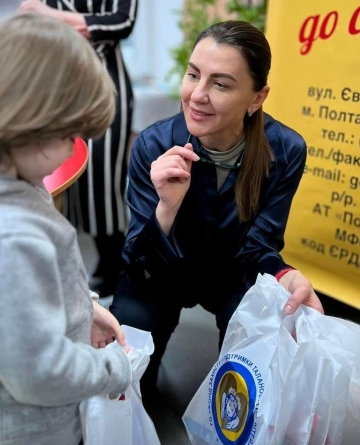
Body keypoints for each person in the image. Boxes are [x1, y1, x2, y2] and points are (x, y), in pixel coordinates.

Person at [110, 20, 324, 394]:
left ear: (257, 98)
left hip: (232, 273)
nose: (197, 95)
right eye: (193, 75)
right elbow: (136, 261)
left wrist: (284, 275)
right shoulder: (153, 144)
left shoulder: (286, 150)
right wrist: (166, 207)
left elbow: (259, 246)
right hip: (163, 271)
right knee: (130, 372)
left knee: (257, 355)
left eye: (221, 84)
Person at [0, 12, 132, 445]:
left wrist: (85, 307)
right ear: (29, 121)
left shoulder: (8, 183)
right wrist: (113, 370)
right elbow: (37, 371)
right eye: (71, 134)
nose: (74, 149)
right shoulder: (8, 234)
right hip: (30, 441)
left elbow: (23, 302)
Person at [20, 0, 138, 296]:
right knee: (57, 177)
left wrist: (51, 15)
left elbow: (123, 21)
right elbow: (30, 26)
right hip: (52, 85)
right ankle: (68, 270)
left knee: (102, 178)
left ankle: (118, 265)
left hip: (101, 80)